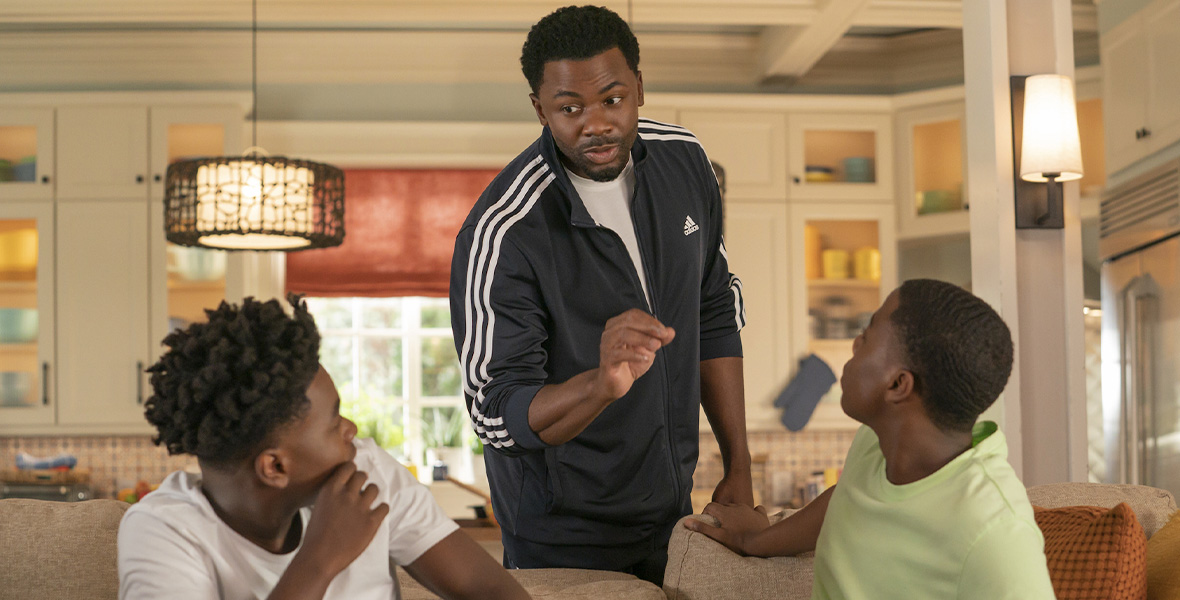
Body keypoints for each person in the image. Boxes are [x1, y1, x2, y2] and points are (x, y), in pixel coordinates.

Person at [449, 4, 752, 585]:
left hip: (672, 518)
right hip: (559, 540)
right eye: (569, 108)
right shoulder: (505, 231)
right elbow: (496, 412)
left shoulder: (684, 162)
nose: (595, 124)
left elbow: (714, 309)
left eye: (613, 100)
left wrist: (738, 466)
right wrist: (600, 383)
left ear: (639, 87)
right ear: (540, 109)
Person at [118, 295, 530, 600]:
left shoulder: (366, 470)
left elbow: (484, 586)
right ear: (274, 467)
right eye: (334, 421)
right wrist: (321, 557)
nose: (351, 430)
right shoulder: (164, 532)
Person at [686, 279, 1056, 599]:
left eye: (868, 335)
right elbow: (848, 500)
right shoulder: (876, 445)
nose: (854, 343)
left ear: (898, 385)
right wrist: (753, 542)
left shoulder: (996, 533)